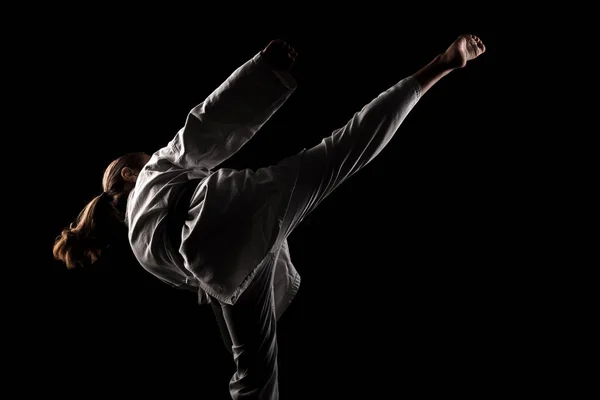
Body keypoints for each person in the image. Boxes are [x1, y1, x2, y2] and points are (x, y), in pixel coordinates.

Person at [53, 34, 486, 399]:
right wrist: (262, 70)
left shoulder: (140, 251)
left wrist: (237, 320)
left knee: (255, 376)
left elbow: (203, 281)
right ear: (129, 172)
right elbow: (202, 126)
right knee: (343, 146)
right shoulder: (150, 172)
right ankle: (439, 66)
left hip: (225, 270)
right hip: (235, 206)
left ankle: (439, 68)